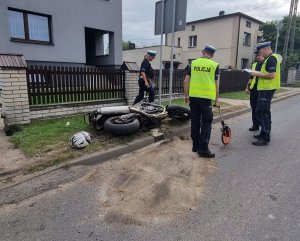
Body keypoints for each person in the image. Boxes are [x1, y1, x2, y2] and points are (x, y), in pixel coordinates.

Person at [183, 44, 220, 158]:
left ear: (203, 52)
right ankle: (203, 149)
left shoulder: (193, 63)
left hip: (193, 97)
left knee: (195, 120)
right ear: (212, 55)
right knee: (207, 122)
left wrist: (186, 95)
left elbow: (186, 80)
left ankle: (195, 145)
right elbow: (216, 84)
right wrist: (216, 100)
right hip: (206, 98)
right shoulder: (214, 65)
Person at [249, 41, 281, 146]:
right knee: (262, 112)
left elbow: (272, 75)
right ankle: (264, 132)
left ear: (265, 49)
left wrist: (257, 73)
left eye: (260, 52)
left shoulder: (272, 58)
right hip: (264, 90)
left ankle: (265, 137)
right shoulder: (268, 58)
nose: (260, 54)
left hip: (267, 89)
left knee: (262, 112)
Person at [245, 51, 264, 132]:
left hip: (262, 89)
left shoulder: (266, 64)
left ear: (263, 55)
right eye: (256, 55)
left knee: (260, 108)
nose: (257, 57)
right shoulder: (255, 64)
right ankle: (255, 125)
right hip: (254, 89)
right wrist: (247, 87)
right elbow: (251, 77)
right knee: (254, 107)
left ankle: (263, 125)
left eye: (259, 55)